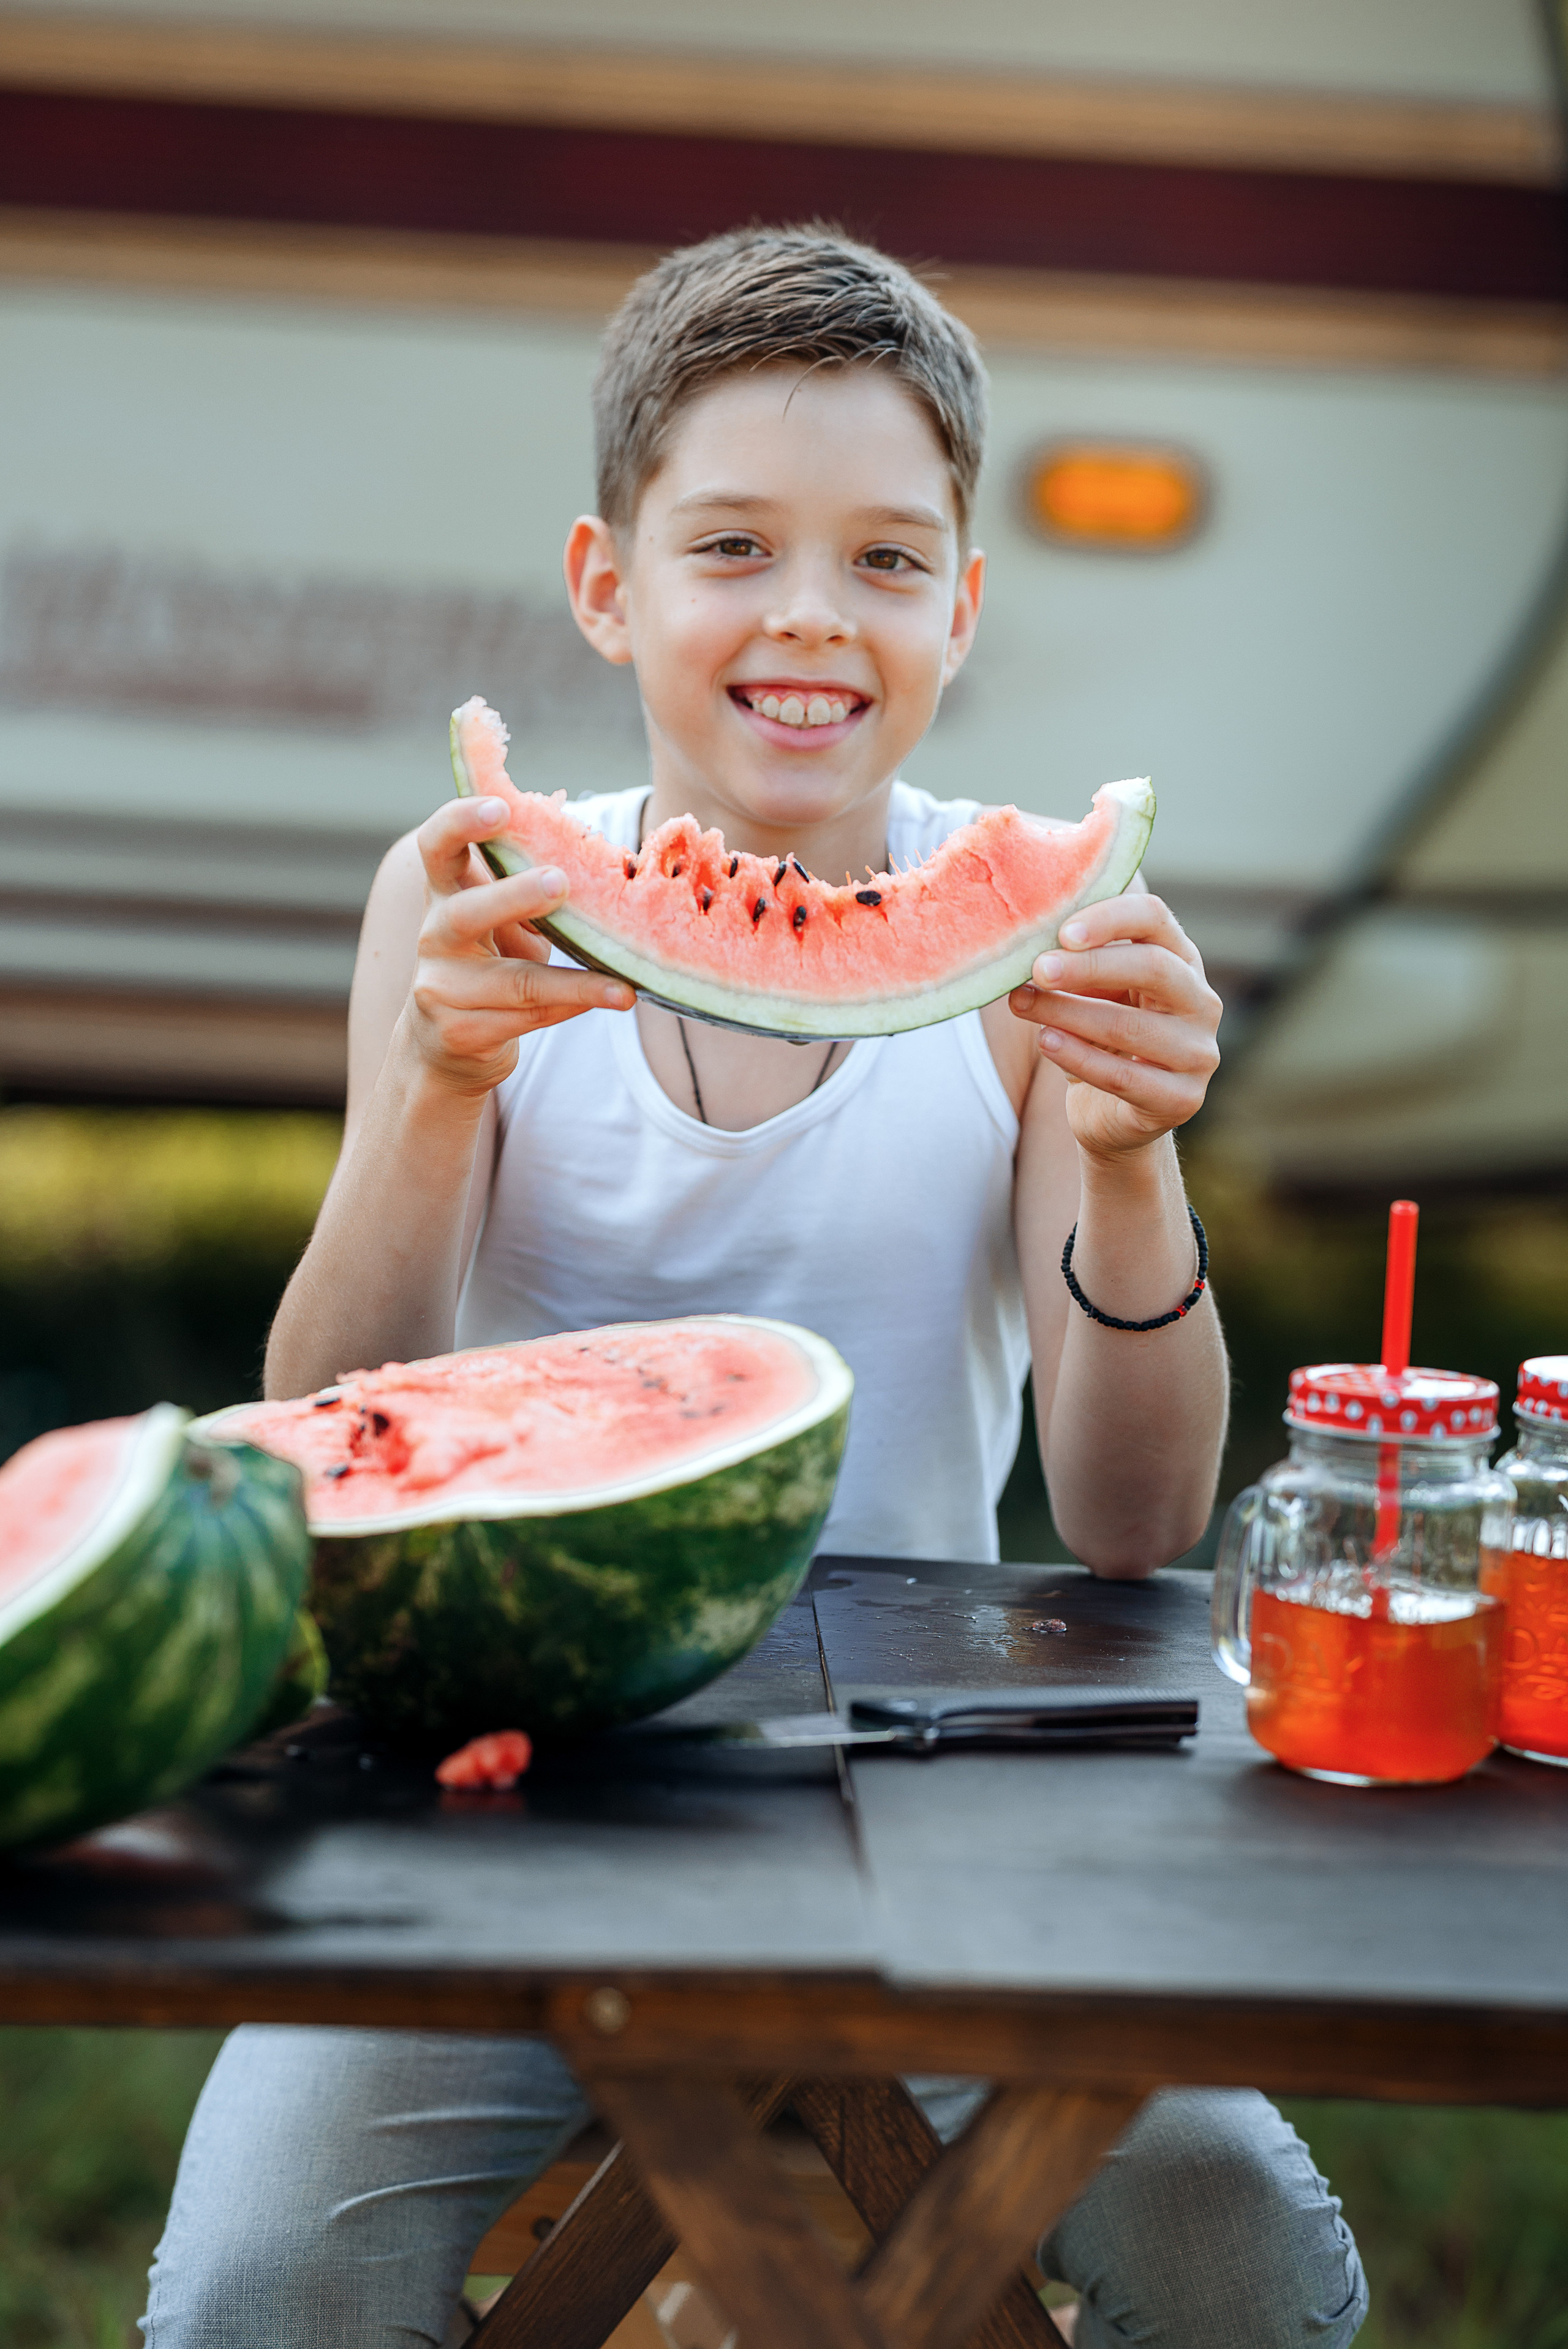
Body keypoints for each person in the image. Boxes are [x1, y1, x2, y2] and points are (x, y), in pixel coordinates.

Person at [142, 227, 1366, 2349]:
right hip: (504, 1786)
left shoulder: (1043, 941)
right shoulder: (469, 898)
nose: (811, 613)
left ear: (961, 609)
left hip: (937, 1800)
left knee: (1238, 2245)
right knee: (264, 2283)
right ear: (606, 584)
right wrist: (436, 1091)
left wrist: (1127, 1154)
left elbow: (1136, 1520)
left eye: (887, 560)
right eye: (733, 545)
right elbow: (328, 1424)